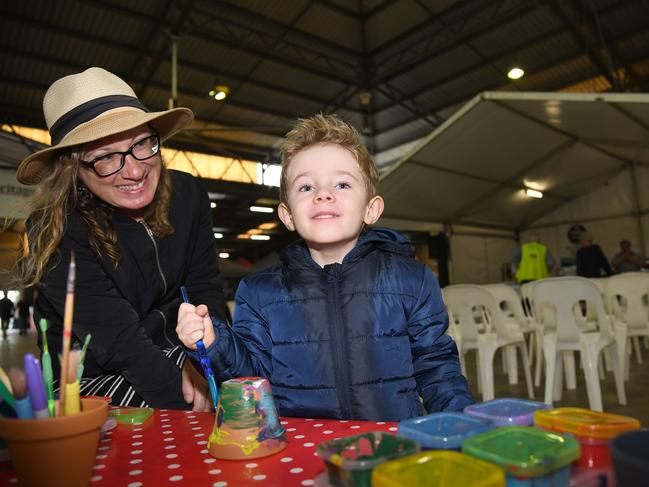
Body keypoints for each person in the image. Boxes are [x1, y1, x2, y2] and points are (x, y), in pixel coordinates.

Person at [177, 113, 473, 421]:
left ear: (371, 209)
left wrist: (463, 424)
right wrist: (213, 343)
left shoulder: (411, 280)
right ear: (288, 214)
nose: (323, 194)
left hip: (392, 448)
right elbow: (251, 380)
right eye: (306, 187)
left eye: (343, 183)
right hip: (300, 450)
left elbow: (437, 367)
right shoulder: (259, 292)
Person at [14, 67, 227, 410]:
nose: (134, 170)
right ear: (73, 170)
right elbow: (118, 343)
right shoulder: (55, 229)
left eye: (141, 143)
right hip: (89, 373)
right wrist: (189, 400)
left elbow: (205, 289)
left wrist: (212, 361)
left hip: (176, 348)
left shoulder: (189, 195)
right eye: (105, 158)